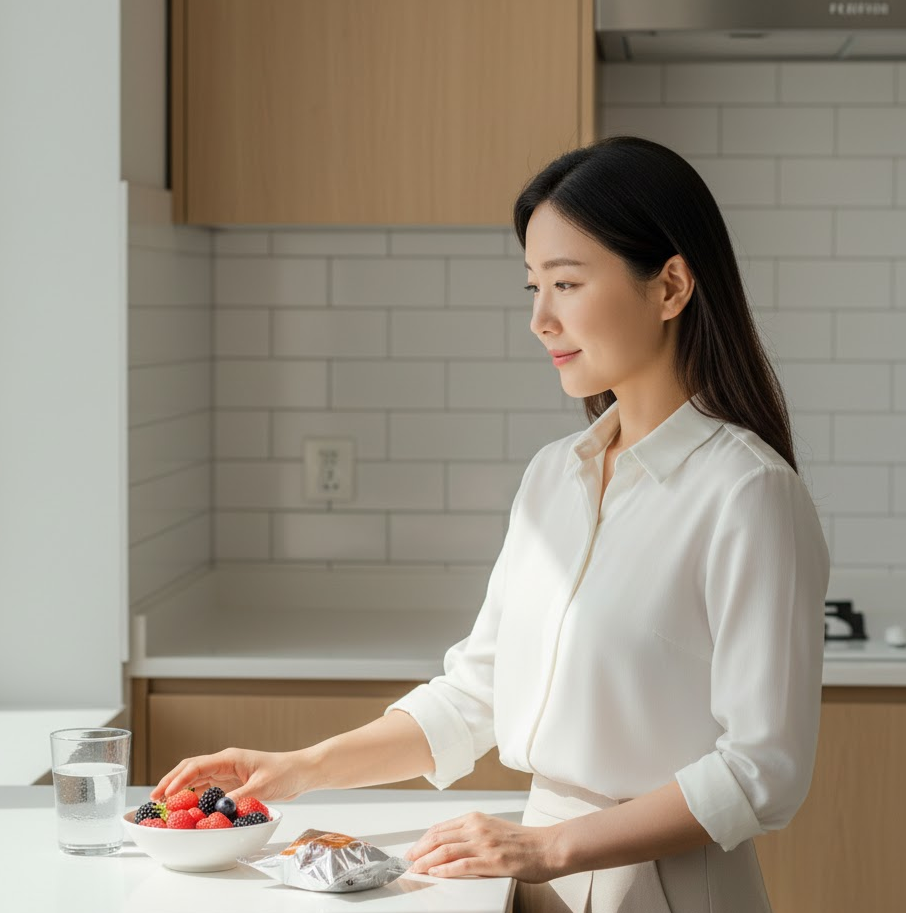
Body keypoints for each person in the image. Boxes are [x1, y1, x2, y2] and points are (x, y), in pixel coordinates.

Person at [150, 135, 830, 913]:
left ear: (670, 285)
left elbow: (763, 769)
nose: (541, 319)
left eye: (568, 283)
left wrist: (550, 846)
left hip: (665, 887)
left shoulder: (748, 494)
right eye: (533, 286)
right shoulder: (554, 476)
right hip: (527, 878)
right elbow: (477, 692)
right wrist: (301, 766)